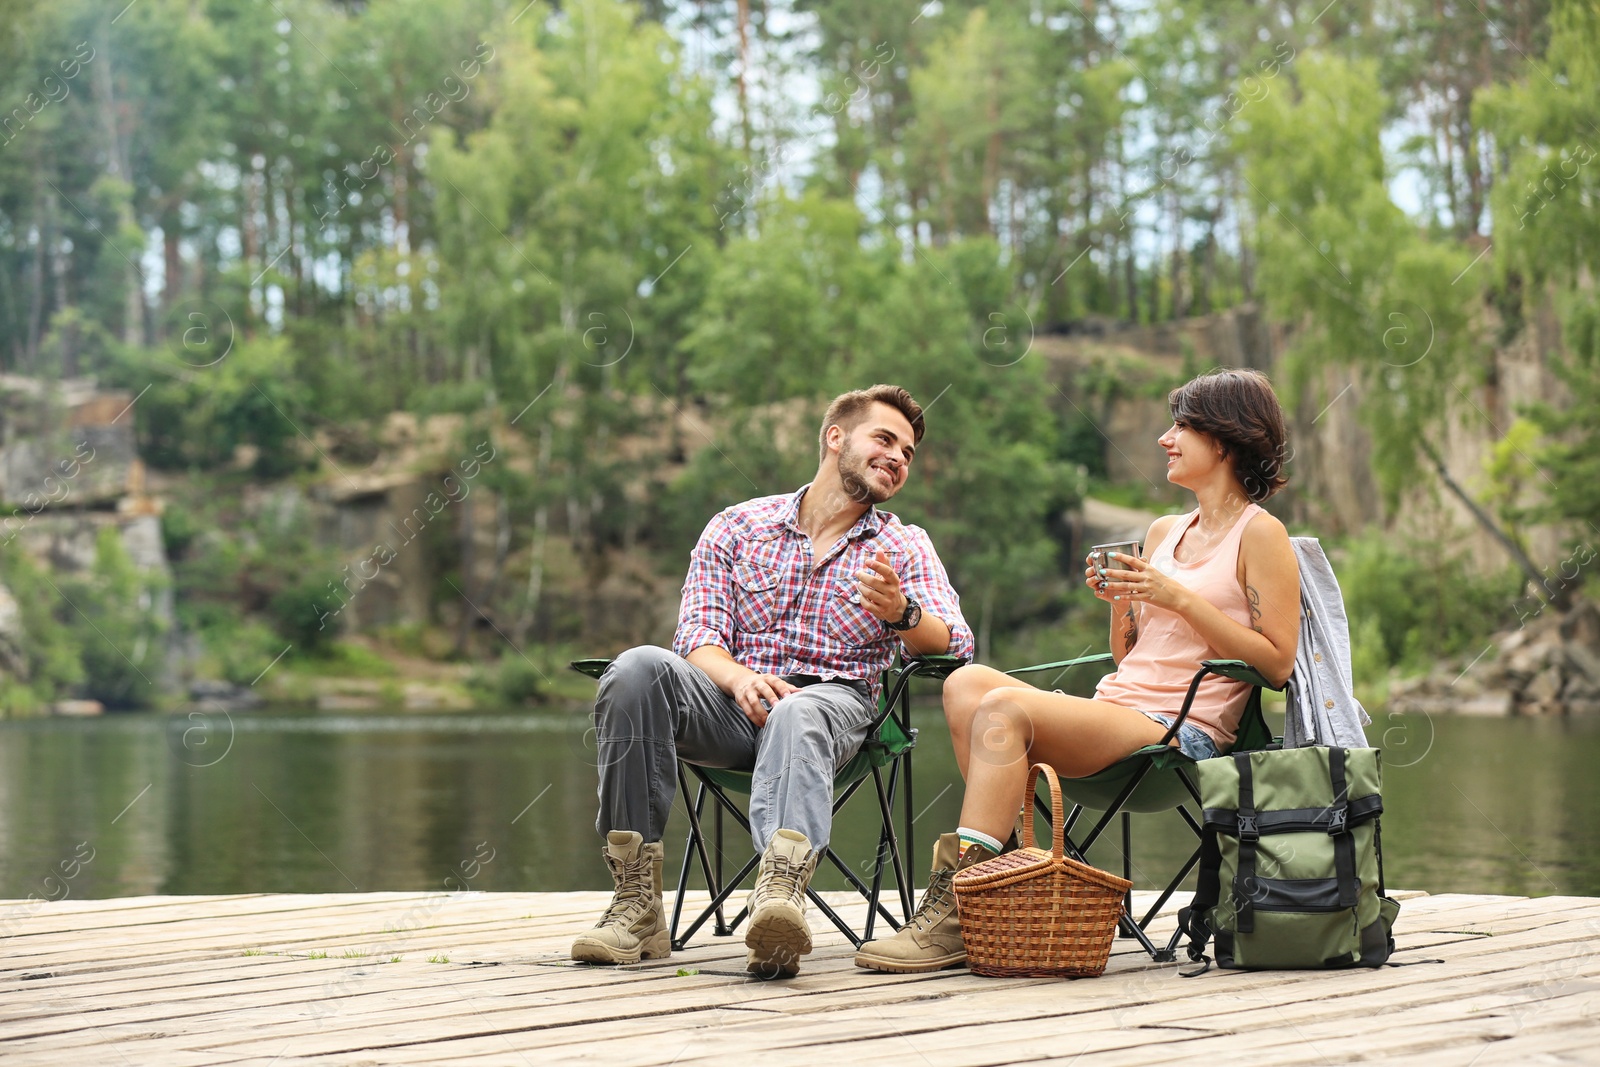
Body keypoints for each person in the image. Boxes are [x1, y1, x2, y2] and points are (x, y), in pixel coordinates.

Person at [854, 367, 1300, 973]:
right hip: (1119, 708)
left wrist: (1176, 598)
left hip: (1180, 733)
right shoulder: (1165, 531)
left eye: (1181, 427)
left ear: (1222, 440)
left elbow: (1276, 663)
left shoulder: (1262, 534)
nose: (1166, 440)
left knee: (1004, 709)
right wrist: (1123, 601)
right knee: (965, 682)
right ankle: (1003, 879)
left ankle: (960, 908)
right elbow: (1129, 657)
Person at [572, 384, 974, 977]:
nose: (898, 458)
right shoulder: (738, 526)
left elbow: (957, 645)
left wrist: (902, 614)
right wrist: (737, 679)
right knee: (635, 668)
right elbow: (698, 640)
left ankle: (781, 899)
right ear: (835, 438)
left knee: (798, 710)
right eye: (885, 439)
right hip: (727, 707)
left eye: (909, 453)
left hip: (833, 708)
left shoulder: (904, 543)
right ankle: (636, 907)